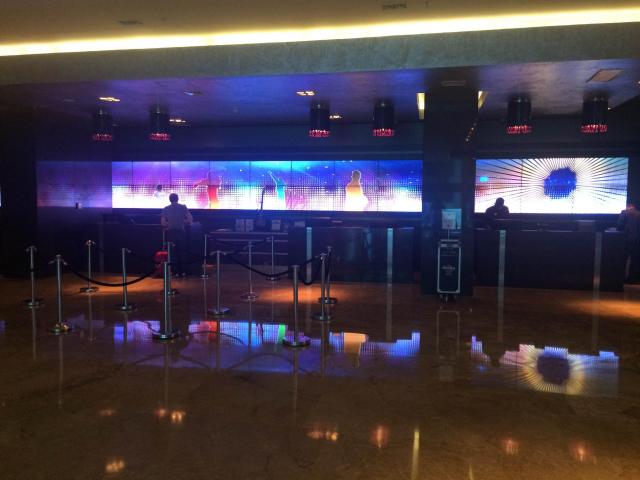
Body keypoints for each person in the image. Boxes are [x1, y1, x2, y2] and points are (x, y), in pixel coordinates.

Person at [161, 193, 193, 276]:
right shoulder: (183, 207)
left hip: (171, 233)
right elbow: (190, 219)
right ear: (178, 199)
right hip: (181, 232)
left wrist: (171, 223)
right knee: (182, 251)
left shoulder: (166, 209)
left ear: (169, 199)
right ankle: (183, 271)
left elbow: (163, 223)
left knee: (172, 252)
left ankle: (175, 272)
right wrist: (182, 221)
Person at [617, 202, 640, 283]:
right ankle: (630, 278)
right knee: (633, 260)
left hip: (629, 240)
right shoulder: (636, 214)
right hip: (632, 241)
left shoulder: (625, 213)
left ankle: (623, 278)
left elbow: (619, 226)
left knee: (627, 260)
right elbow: (619, 225)